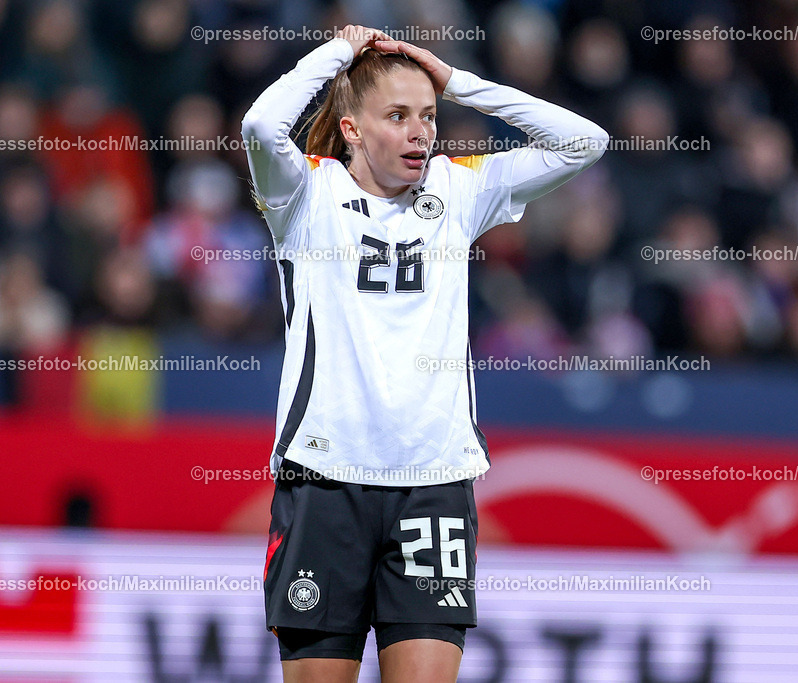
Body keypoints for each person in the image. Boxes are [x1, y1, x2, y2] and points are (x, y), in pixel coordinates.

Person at [241, 25, 607, 683]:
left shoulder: (458, 190)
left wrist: (460, 82)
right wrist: (334, 57)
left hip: (433, 486)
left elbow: (586, 141)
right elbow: (262, 126)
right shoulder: (306, 196)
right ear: (351, 129)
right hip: (327, 483)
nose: (421, 132)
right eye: (399, 116)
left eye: (429, 115)